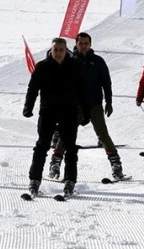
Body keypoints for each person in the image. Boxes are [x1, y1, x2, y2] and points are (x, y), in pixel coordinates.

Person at [48, 32, 126, 181]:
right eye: (81, 43)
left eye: (86, 43)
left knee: (102, 134)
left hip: (94, 104)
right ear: (76, 44)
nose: (83, 46)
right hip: (75, 105)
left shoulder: (98, 61)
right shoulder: (70, 61)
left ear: (90, 44)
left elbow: (106, 82)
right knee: (67, 133)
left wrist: (109, 101)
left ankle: (116, 164)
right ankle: (55, 163)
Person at [23, 37, 88, 197]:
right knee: (42, 145)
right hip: (48, 111)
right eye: (56, 50)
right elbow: (33, 88)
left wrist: (86, 112)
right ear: (51, 51)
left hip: (69, 111)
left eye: (61, 50)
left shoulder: (75, 66)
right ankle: (34, 180)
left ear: (66, 50)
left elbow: (83, 91)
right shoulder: (42, 67)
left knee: (70, 146)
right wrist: (28, 107)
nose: (58, 53)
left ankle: (70, 180)